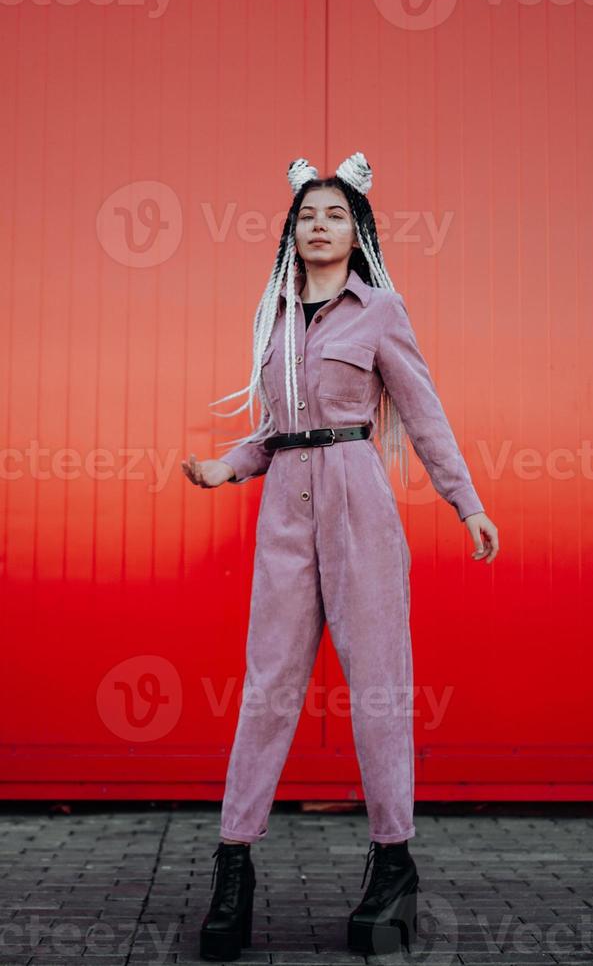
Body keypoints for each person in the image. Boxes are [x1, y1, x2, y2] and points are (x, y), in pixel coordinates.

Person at [181, 151, 499, 961]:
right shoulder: (277, 319)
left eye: (335, 216)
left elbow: (424, 414)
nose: (320, 226)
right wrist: (226, 466)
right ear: (290, 232)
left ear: (357, 235)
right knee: (267, 687)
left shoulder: (380, 311)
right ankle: (233, 867)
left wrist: (468, 502)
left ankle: (392, 865)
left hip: (359, 501)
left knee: (382, 688)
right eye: (308, 216)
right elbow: (275, 428)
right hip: (285, 505)